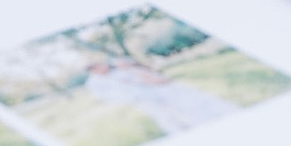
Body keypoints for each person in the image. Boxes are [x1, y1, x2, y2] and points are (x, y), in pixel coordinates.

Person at [81, 57, 226, 133]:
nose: (104, 66)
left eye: (102, 64)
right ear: (94, 69)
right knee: (162, 116)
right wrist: (130, 98)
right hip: (139, 99)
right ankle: (179, 130)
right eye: (100, 66)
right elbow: (105, 97)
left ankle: (190, 124)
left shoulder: (116, 71)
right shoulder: (95, 83)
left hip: (152, 90)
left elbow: (138, 76)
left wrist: (151, 81)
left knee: (175, 108)